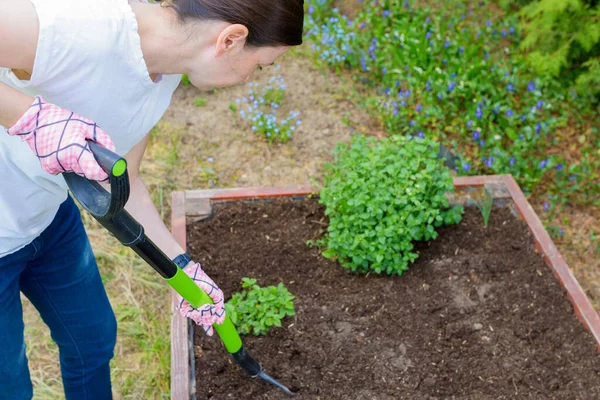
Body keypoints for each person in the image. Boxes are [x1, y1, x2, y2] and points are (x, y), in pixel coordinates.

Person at [0, 0, 304, 398]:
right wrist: (28, 115)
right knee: (10, 381)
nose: (252, 78)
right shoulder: (82, 27)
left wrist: (182, 267)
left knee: (93, 340)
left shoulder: (165, 73)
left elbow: (126, 180)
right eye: (260, 66)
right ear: (231, 39)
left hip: (47, 218)